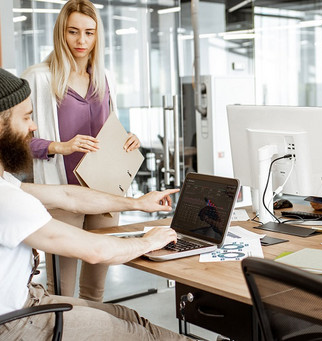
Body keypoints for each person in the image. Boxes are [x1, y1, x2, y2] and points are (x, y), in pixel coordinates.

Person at [0, 68, 192, 340]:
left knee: (127, 316)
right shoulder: (7, 200)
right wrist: (149, 241)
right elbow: (96, 250)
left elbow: (69, 196)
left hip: (26, 301)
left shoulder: (6, 183)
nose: (34, 127)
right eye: (27, 117)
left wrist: (136, 203)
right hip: (14, 324)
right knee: (141, 333)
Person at [21, 0, 140, 301]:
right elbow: (19, 140)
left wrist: (128, 138)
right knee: (62, 290)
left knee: (95, 290)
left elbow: (109, 129)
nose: (81, 41)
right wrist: (60, 146)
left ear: (98, 35)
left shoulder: (104, 77)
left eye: (89, 32)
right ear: (61, 33)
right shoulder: (39, 78)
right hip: (63, 196)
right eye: (73, 32)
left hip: (105, 192)